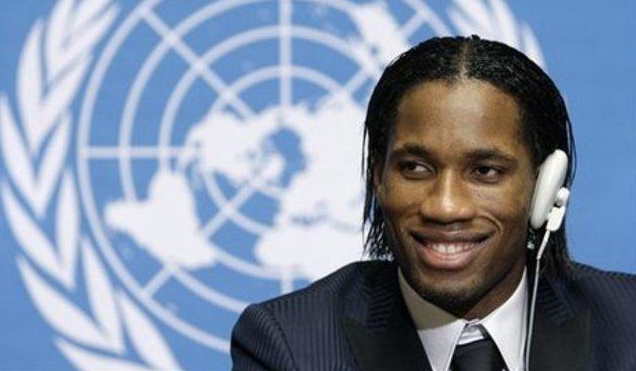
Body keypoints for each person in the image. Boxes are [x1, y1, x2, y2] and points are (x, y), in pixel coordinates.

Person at [230, 36, 636, 370]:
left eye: (485, 171)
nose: (444, 207)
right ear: (377, 177)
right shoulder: (290, 345)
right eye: (415, 168)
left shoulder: (627, 326)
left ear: (545, 186)